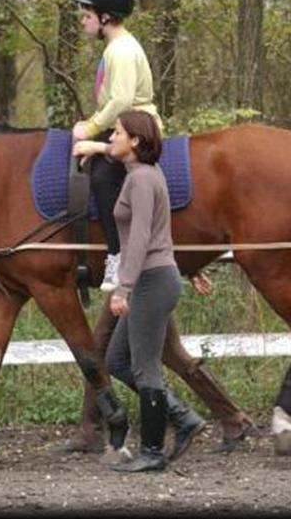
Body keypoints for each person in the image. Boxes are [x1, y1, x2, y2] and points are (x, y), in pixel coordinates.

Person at [73, 110, 198, 472]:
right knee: (116, 361)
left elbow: (142, 237)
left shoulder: (141, 180)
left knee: (145, 369)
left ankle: (153, 453)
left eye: (118, 133)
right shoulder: (141, 176)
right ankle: (182, 417)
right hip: (153, 277)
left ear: (136, 141)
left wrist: (122, 288)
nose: (111, 138)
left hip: (151, 280)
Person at [71, 0, 160, 292]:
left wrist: (91, 129)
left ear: (105, 17)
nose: (83, 21)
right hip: (124, 122)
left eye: (88, 14)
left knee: (103, 178)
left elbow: (121, 100)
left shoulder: (120, 50)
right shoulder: (116, 46)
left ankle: (118, 255)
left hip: (135, 124)